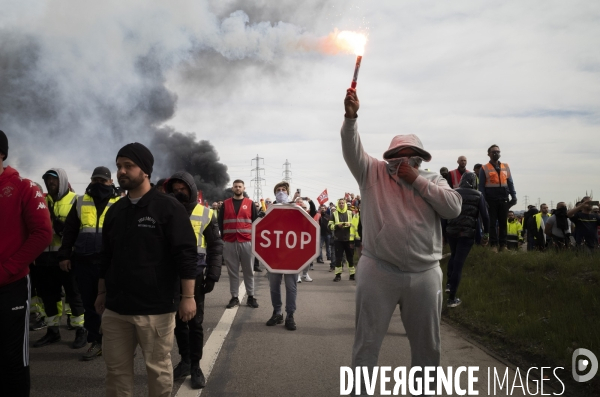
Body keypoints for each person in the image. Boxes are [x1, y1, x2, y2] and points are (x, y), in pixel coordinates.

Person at [342, 88, 462, 392]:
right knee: (366, 344)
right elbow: (351, 148)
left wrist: (417, 181)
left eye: (414, 157)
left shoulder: (433, 180)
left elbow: (453, 208)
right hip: (378, 269)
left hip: (425, 274)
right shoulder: (372, 172)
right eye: (399, 156)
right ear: (390, 157)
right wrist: (351, 117)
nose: (405, 162)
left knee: (428, 349)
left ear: (422, 160)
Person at [95, 143, 198, 396]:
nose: (122, 171)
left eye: (128, 166)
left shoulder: (167, 207)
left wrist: (188, 297)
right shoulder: (115, 211)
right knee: (116, 372)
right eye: (119, 166)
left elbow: (186, 255)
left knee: (158, 370)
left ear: (146, 171)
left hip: (155, 309)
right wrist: (101, 293)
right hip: (116, 309)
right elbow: (105, 256)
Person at [0, 130, 53, 396]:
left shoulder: (24, 187)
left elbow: (43, 234)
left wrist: (8, 269)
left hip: (10, 285)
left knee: (12, 358)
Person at [165, 172, 223, 389]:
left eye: (183, 189)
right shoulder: (166, 210)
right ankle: (185, 360)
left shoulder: (206, 213)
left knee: (195, 323)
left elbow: (216, 246)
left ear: (191, 190)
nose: (179, 192)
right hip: (170, 276)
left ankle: (196, 366)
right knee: (178, 323)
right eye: (175, 189)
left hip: (196, 276)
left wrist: (213, 275)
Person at [57, 166, 120, 360]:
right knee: (90, 305)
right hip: (84, 263)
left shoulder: (121, 203)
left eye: (103, 181)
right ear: (91, 181)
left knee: (115, 305)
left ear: (111, 182)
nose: (99, 184)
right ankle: (96, 342)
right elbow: (69, 232)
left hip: (112, 265)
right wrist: (65, 255)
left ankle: (119, 344)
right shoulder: (80, 201)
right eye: (96, 180)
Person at [33, 168, 88, 349]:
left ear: (62, 181)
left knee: (74, 294)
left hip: (67, 257)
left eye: (54, 179)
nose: (50, 182)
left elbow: (79, 229)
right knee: (49, 296)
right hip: (43, 257)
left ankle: (81, 330)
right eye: (47, 180)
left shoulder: (75, 200)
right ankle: (52, 331)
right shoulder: (41, 200)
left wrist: (59, 227)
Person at [445, 172, 489, 307]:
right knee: (459, 263)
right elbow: (485, 216)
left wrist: (443, 231)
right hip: (467, 233)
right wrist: (486, 235)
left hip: (451, 231)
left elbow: (444, 212)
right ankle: (452, 298)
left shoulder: (453, 192)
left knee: (453, 256)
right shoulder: (478, 195)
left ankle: (448, 284)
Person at [218, 180, 259, 309]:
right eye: (235, 186)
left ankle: (251, 297)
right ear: (232, 188)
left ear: (243, 188)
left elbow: (256, 222)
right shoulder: (225, 204)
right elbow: (220, 222)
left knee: (249, 271)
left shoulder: (250, 203)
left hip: (246, 241)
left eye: (240, 186)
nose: (237, 188)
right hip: (230, 241)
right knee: (232, 272)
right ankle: (234, 297)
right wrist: (223, 238)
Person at [266, 181, 299, 330]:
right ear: (275, 194)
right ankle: (277, 313)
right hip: (273, 256)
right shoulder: (269, 209)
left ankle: (290, 315)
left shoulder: (295, 209)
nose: (281, 192)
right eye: (278, 190)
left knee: (291, 287)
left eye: (283, 190)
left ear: (288, 192)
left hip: (291, 256)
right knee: (274, 286)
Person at [478, 144, 517, 252]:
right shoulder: (484, 168)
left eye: (498, 151)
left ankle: (503, 245)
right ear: (489, 154)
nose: (496, 153)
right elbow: (481, 186)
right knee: (492, 223)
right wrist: (483, 200)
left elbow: (510, 182)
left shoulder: (505, 166)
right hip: (491, 200)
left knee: (503, 223)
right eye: (494, 152)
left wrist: (513, 196)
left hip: (504, 199)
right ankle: (494, 245)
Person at [328, 198, 356, 282]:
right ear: (338, 204)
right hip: (338, 240)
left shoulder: (350, 213)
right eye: (340, 203)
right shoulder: (334, 214)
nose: (341, 204)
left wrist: (350, 224)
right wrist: (337, 226)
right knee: (338, 258)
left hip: (349, 239)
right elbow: (329, 226)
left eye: (342, 203)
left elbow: (356, 225)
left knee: (350, 258)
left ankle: (352, 275)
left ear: (345, 204)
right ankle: (338, 275)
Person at [295, 197, 317, 282]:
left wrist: (310, 200)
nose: (302, 208)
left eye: (304, 207)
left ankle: (305, 274)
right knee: (297, 258)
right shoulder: (294, 215)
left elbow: (314, 209)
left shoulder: (308, 215)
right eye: (299, 205)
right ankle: (297, 275)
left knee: (308, 259)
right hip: (296, 239)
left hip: (306, 240)